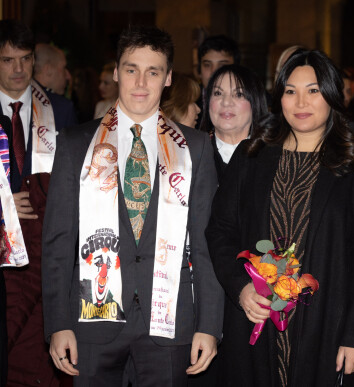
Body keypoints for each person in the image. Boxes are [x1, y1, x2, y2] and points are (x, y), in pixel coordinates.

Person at [41, 25, 222, 386]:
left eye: (153, 71)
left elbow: (205, 245)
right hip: (93, 321)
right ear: (115, 73)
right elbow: (58, 242)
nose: (141, 82)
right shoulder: (77, 144)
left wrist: (209, 325)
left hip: (170, 322)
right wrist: (57, 323)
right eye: (130, 69)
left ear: (168, 78)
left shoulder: (196, 147)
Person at [206, 49, 354, 387]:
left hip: (327, 323)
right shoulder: (251, 156)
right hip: (255, 324)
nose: (301, 102)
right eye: (291, 91)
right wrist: (241, 286)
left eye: (313, 90)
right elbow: (220, 230)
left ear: (332, 95)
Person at [0, 19, 77, 387]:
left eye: (25, 59)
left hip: (46, 250)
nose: (18, 69)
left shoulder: (59, 110)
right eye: (7, 60)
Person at [199, 64, 268, 178]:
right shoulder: (192, 155)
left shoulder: (273, 157)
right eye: (218, 93)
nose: (226, 102)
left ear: (255, 102)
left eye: (239, 94)